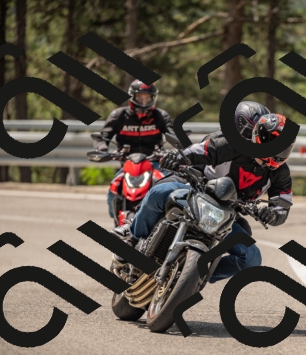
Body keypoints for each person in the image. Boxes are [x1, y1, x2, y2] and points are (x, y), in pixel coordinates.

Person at [114, 106, 295, 284]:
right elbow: (202, 150)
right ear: (260, 137)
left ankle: (196, 275)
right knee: (160, 191)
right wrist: (179, 157)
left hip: (225, 214)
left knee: (252, 258)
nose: (278, 151)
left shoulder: (281, 173)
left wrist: (273, 214)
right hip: (195, 191)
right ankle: (133, 236)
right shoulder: (233, 145)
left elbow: (283, 205)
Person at [95, 80, 174, 218]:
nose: (144, 101)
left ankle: (170, 221)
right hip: (128, 164)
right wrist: (102, 148)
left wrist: (176, 149)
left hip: (155, 163)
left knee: (170, 189)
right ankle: (116, 219)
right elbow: (103, 137)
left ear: (153, 98)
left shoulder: (161, 115)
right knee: (113, 192)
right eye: (140, 97)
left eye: (147, 98)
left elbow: (174, 136)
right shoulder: (118, 115)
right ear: (132, 97)